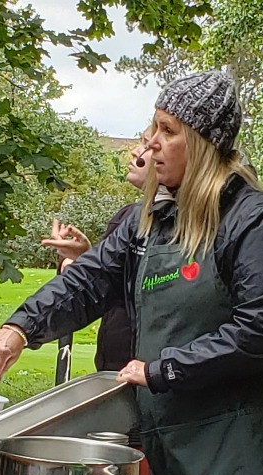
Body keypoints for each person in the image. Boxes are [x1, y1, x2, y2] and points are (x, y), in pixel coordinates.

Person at [0, 70, 263, 475]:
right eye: (154, 127)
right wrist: (19, 330)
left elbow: (261, 333)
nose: (151, 143)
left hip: (237, 452)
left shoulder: (257, 222)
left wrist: (160, 370)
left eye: (169, 131)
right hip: (167, 438)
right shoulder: (147, 218)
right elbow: (87, 282)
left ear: (205, 144)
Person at [40, 127, 168, 371]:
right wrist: (84, 259)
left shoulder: (184, 225)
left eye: (144, 144)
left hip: (153, 372)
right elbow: (109, 283)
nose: (134, 152)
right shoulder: (128, 217)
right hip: (114, 367)